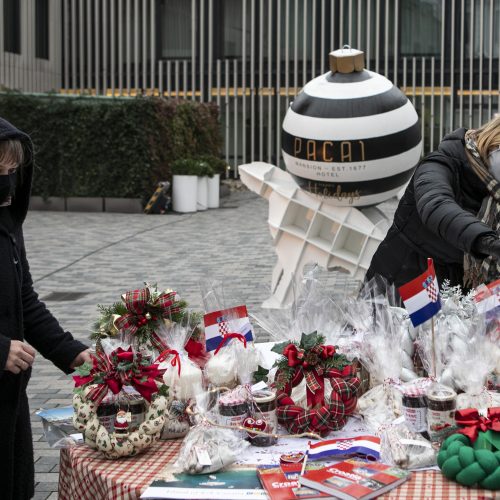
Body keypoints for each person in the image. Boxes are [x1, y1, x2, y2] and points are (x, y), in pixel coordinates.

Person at [0, 117, 91, 499]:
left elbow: (26, 302)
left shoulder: (6, 222)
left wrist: (75, 355)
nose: (7, 179)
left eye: (12, 169)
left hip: (9, 398)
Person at [366, 115, 500, 291]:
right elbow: (436, 205)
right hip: (407, 282)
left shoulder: (494, 189)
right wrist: (487, 242)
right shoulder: (441, 163)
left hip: (459, 291)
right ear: (493, 145)